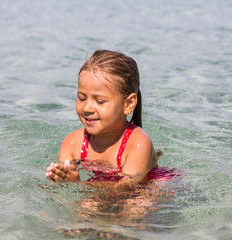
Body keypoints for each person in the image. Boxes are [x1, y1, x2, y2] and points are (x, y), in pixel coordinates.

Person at [46, 49, 162, 184]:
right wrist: (58, 179)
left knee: (138, 204)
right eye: (82, 98)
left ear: (128, 104)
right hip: (99, 190)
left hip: (144, 189)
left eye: (99, 101)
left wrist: (78, 183)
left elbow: (125, 190)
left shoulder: (138, 144)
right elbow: (64, 181)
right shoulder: (72, 143)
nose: (87, 108)